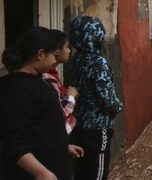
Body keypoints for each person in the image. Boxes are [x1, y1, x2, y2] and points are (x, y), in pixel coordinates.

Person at [0, 27, 83, 180]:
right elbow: (14, 140)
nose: (55, 60)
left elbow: (40, 129)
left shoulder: (38, 81)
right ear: (40, 54)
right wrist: (40, 172)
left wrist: (61, 146)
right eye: (53, 55)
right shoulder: (17, 88)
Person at [69, 16, 123, 180]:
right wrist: (118, 107)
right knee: (97, 172)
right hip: (98, 128)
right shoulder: (99, 63)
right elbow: (107, 99)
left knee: (82, 169)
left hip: (77, 124)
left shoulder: (74, 60)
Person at [42, 30, 78, 134]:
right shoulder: (47, 78)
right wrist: (70, 97)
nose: (69, 50)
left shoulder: (52, 74)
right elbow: (60, 113)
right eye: (66, 47)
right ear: (57, 51)